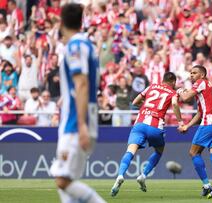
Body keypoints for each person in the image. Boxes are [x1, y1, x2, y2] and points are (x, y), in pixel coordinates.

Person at [49, 3, 105, 203]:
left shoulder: (76, 46)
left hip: (76, 121)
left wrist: (81, 125)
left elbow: (81, 83)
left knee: (63, 181)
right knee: (67, 183)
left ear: (61, 22)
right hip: (74, 118)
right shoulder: (86, 45)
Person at [111, 72, 183, 196]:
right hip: (155, 126)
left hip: (140, 124)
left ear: (162, 79)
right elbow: (175, 104)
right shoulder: (172, 92)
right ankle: (143, 175)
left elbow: (134, 102)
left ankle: (120, 175)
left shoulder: (152, 87)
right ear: (173, 82)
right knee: (159, 151)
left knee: (130, 151)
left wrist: (145, 107)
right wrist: (180, 122)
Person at [178, 65, 212, 199]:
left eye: (194, 73)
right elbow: (200, 113)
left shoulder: (201, 83)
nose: (191, 75)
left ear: (202, 75)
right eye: (190, 73)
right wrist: (187, 126)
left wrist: (180, 90)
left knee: (193, 152)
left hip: (209, 124)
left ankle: (206, 185)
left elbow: (185, 97)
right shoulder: (208, 88)